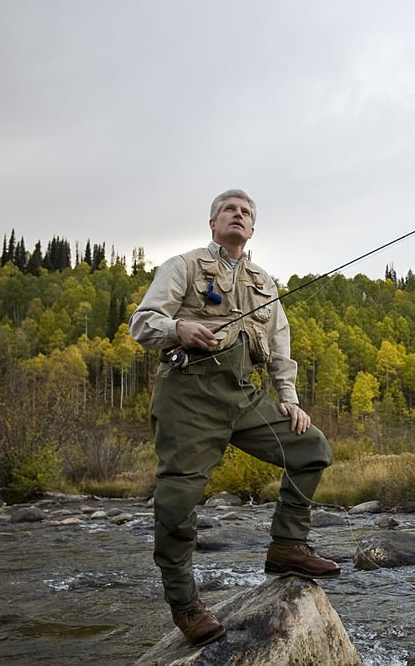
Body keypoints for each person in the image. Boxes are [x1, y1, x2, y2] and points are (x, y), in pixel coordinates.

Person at [129, 189, 339, 646]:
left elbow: (280, 350)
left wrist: (290, 399)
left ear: (252, 228)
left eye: (246, 213)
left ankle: (287, 547)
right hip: (188, 396)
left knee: (311, 449)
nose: (238, 216)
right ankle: (185, 603)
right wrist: (177, 327)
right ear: (213, 223)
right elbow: (141, 322)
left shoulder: (265, 281)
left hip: (245, 398)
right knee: (177, 504)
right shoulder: (182, 266)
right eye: (230, 210)